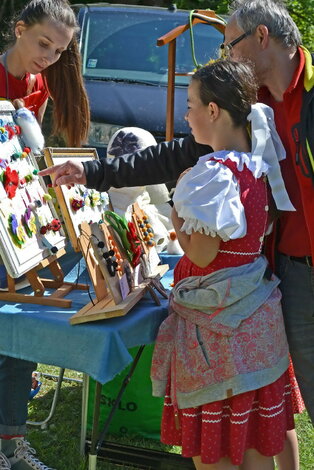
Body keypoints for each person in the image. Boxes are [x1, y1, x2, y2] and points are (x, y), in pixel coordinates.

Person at [40, 0, 312, 467]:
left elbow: (203, 248)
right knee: (275, 405)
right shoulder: (252, 110)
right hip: (281, 274)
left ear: (261, 38)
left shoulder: (295, 101)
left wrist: (181, 215)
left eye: (231, 44)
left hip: (252, 290)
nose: (226, 54)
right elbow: (169, 156)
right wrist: (93, 173)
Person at [151, 59, 296, 470]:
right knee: (257, 438)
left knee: (218, 449)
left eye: (192, 103)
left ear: (213, 111)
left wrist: (177, 219)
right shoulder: (257, 166)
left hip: (219, 329)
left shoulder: (211, 173)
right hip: (255, 316)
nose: (187, 114)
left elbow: (201, 254)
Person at [0, 0, 89, 469]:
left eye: (58, 51)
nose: (50, 58)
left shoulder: (38, 83)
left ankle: (12, 441)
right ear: (19, 30)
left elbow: (26, 158)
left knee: (20, 337)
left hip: (19, 228)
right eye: (43, 44)